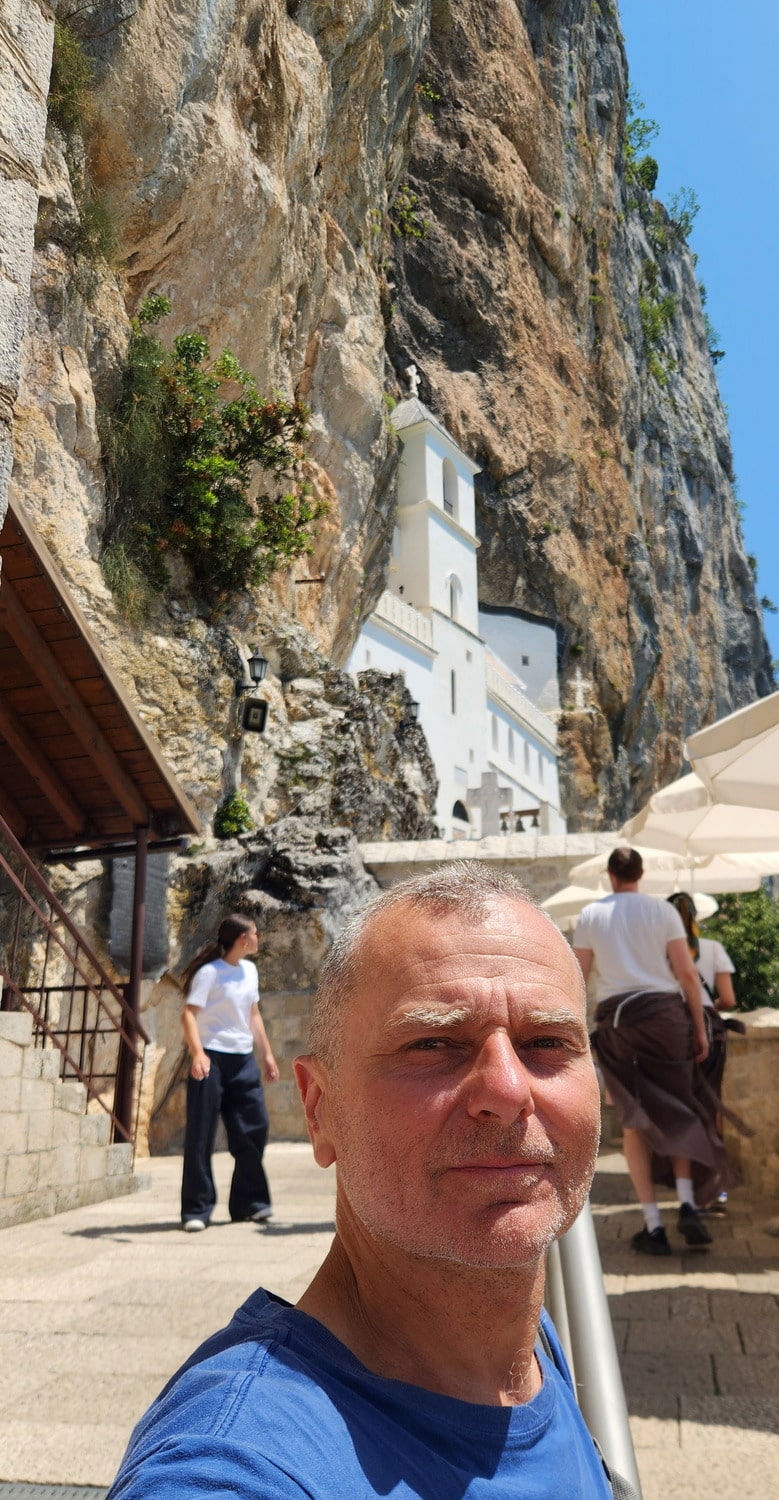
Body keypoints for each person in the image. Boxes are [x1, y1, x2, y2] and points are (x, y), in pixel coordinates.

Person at [108, 865, 619, 1498]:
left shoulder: (526, 1337)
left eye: (547, 1041)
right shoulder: (234, 1465)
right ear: (320, 1110)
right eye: (433, 1044)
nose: (508, 1091)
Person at [573, 847, 725, 1257]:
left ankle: (654, 1226)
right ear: (641, 874)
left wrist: (573, 1033)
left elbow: (577, 979)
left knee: (635, 1120)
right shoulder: (664, 912)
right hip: (666, 1017)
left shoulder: (591, 915)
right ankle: (689, 1203)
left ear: (610, 875)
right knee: (678, 1106)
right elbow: (688, 975)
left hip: (619, 1023)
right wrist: (699, 1029)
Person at [180, 913, 279, 1231]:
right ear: (241, 939)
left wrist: (266, 1055)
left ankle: (249, 1203)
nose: (258, 938)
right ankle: (197, 1209)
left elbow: (253, 1014)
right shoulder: (210, 973)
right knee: (201, 1134)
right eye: (255, 933)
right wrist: (197, 1053)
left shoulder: (249, 971)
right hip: (211, 1059)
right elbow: (189, 1015)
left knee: (255, 1128)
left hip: (243, 1059)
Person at [667, 893, 747, 1211]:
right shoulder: (712, 948)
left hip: (672, 1032)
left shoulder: (658, 954)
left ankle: (687, 1194)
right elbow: (727, 997)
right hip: (712, 1034)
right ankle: (718, 1187)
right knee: (711, 1109)